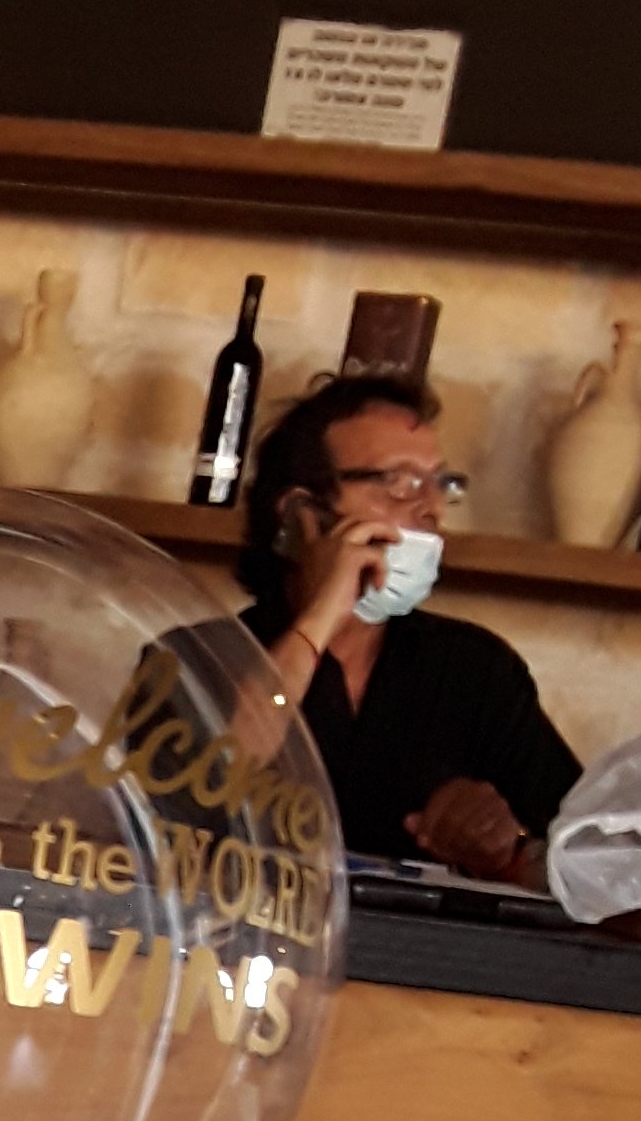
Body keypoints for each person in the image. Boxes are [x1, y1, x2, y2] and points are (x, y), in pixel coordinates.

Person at [239, 373, 580, 883]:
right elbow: (217, 774)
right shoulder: (199, 655)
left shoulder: (475, 671)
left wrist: (505, 852)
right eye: (399, 482)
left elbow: (597, 868)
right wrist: (323, 614)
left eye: (440, 483)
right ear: (301, 515)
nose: (431, 509)